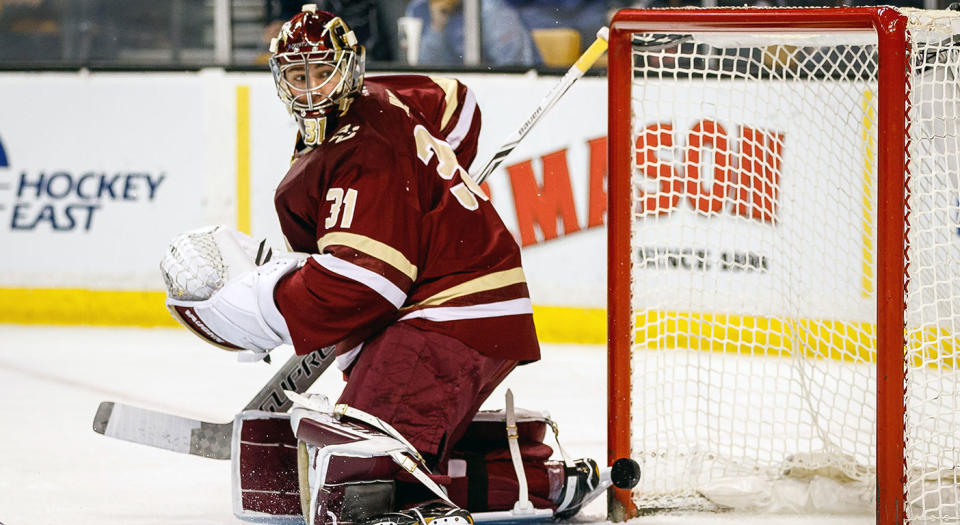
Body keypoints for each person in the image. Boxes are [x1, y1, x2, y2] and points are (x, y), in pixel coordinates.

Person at [159, 5, 606, 525]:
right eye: (298, 75)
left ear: (349, 66)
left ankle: (440, 504)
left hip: (450, 313)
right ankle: (539, 481)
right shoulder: (379, 98)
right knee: (360, 442)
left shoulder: (357, 153)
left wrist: (264, 307)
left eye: (323, 71)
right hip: (454, 303)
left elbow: (367, 285)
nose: (311, 88)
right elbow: (458, 104)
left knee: (365, 460)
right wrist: (428, 192)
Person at [405, 0, 542, 66]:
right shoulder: (419, 9)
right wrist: (437, 27)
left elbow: (514, 68)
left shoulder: (490, 10)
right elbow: (422, 72)